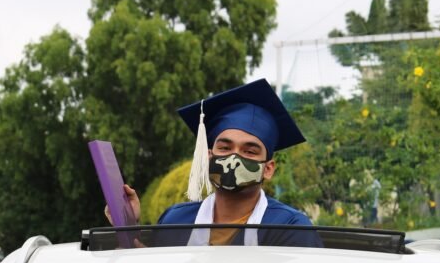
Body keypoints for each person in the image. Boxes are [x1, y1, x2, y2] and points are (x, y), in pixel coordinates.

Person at [117, 78, 321, 247]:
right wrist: (128, 224)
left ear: (268, 169)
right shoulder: (175, 221)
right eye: (224, 148)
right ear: (208, 158)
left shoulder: (289, 228)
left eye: (249, 151)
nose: (234, 158)